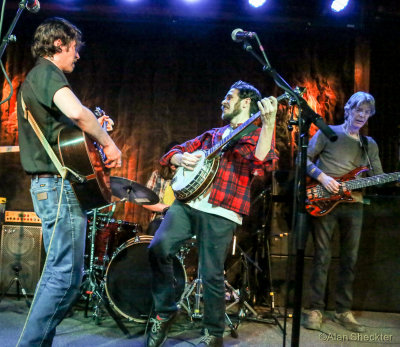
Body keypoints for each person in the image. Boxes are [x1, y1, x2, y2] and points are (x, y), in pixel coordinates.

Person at [146, 80, 278, 347]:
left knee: (211, 273)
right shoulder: (212, 135)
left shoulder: (255, 134)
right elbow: (170, 155)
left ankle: (213, 332)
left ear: (245, 103)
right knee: (158, 248)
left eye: (229, 96)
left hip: (223, 210)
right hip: (187, 204)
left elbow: (263, 161)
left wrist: (269, 123)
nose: (223, 101)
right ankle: (165, 311)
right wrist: (180, 159)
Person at [16, 17, 121, 346]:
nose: (77, 55)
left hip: (53, 188)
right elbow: (77, 113)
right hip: (57, 188)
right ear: (58, 45)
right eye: (74, 48)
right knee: (64, 278)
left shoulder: (40, 78)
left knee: (61, 276)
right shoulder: (46, 73)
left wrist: (94, 127)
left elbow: (66, 128)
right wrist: (107, 142)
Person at [304, 92, 383, 333]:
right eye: (359, 110)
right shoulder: (328, 133)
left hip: (354, 204)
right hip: (325, 201)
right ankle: (315, 309)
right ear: (348, 109)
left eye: (367, 112)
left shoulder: (369, 144)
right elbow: (303, 160)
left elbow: (377, 177)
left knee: (350, 259)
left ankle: (343, 311)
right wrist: (323, 177)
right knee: (322, 256)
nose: (362, 116)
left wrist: (372, 181)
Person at [143, 141, 179, 235]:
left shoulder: (188, 177)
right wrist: (170, 209)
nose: (173, 163)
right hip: (160, 220)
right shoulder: (157, 175)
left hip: (181, 221)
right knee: (155, 227)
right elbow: (146, 202)